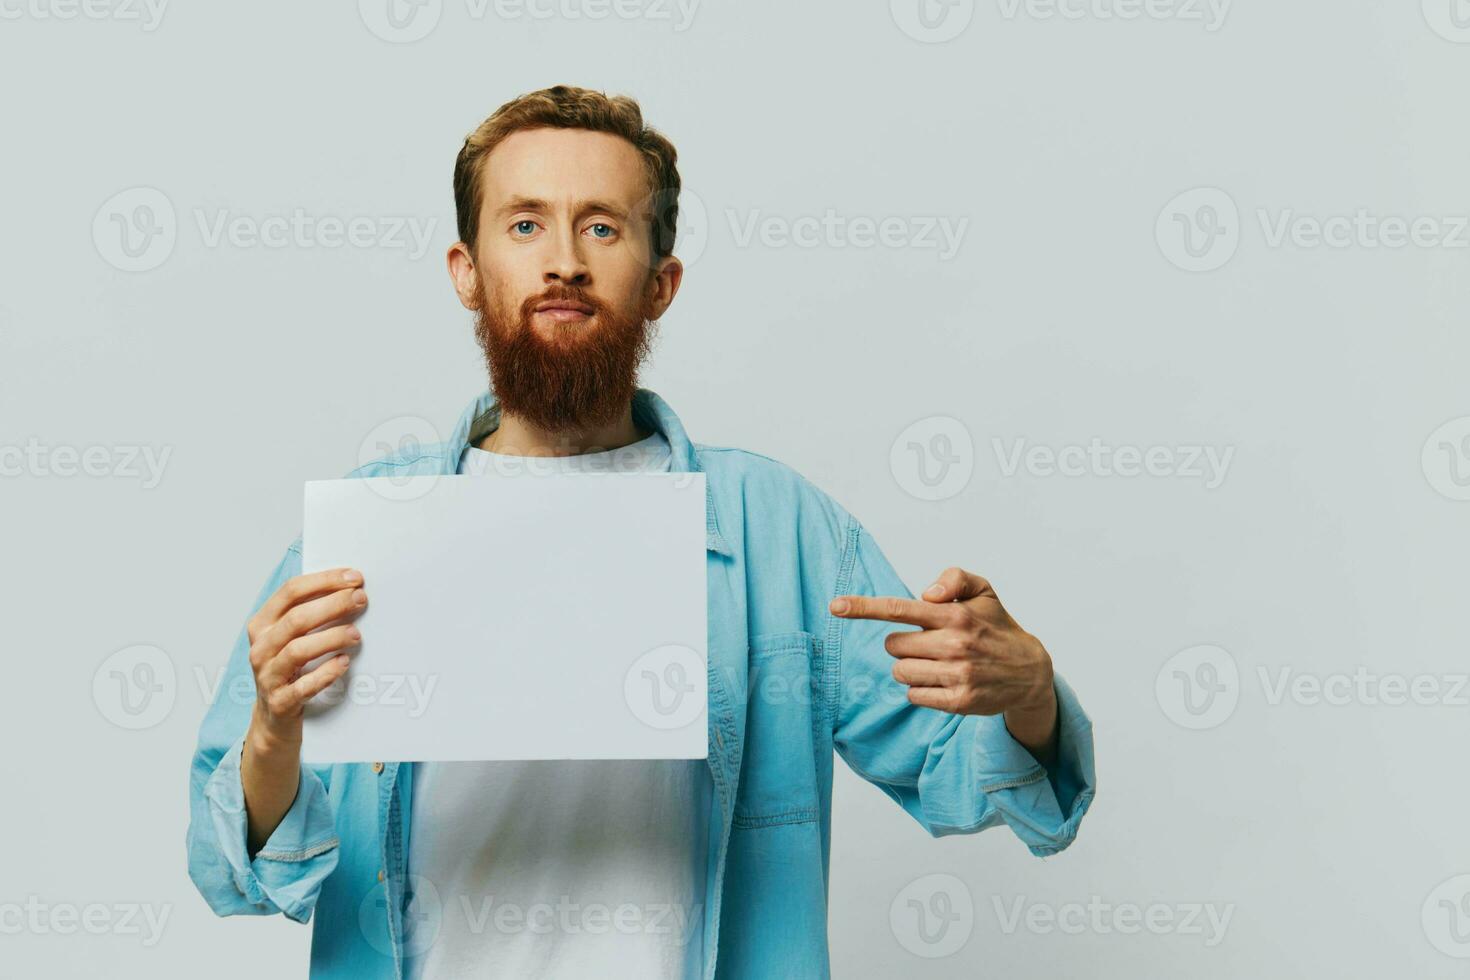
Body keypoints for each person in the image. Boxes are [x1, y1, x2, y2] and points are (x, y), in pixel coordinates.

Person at [185, 84, 1096, 979]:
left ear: (661, 284)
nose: (564, 262)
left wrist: (1029, 693)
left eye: (603, 227)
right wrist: (272, 731)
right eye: (526, 224)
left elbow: (966, 776)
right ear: (467, 270)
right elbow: (233, 871)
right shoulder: (363, 533)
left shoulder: (781, 530)